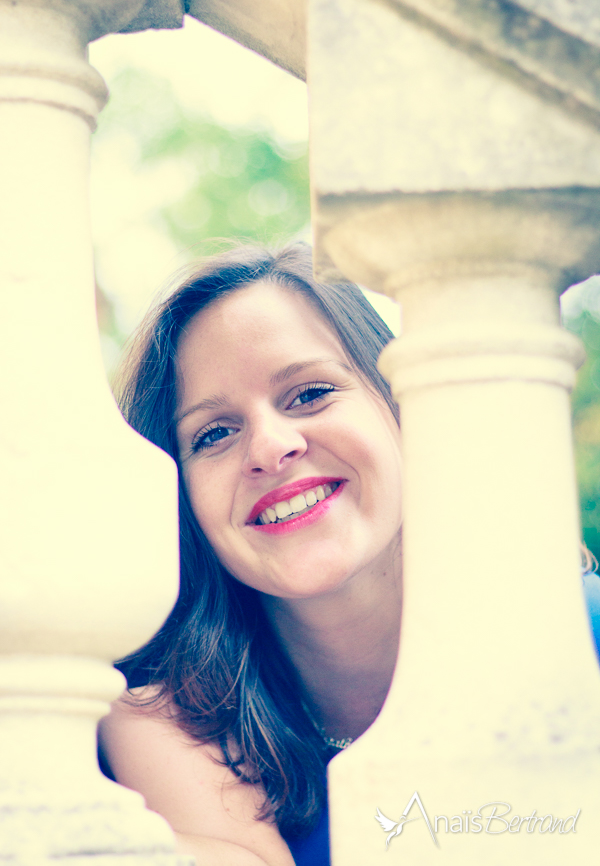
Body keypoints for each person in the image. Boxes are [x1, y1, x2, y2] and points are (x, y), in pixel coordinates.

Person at [98, 242, 600, 866]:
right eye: (214, 433)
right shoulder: (172, 716)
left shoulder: (579, 636)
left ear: (402, 407)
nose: (270, 446)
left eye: (308, 393)